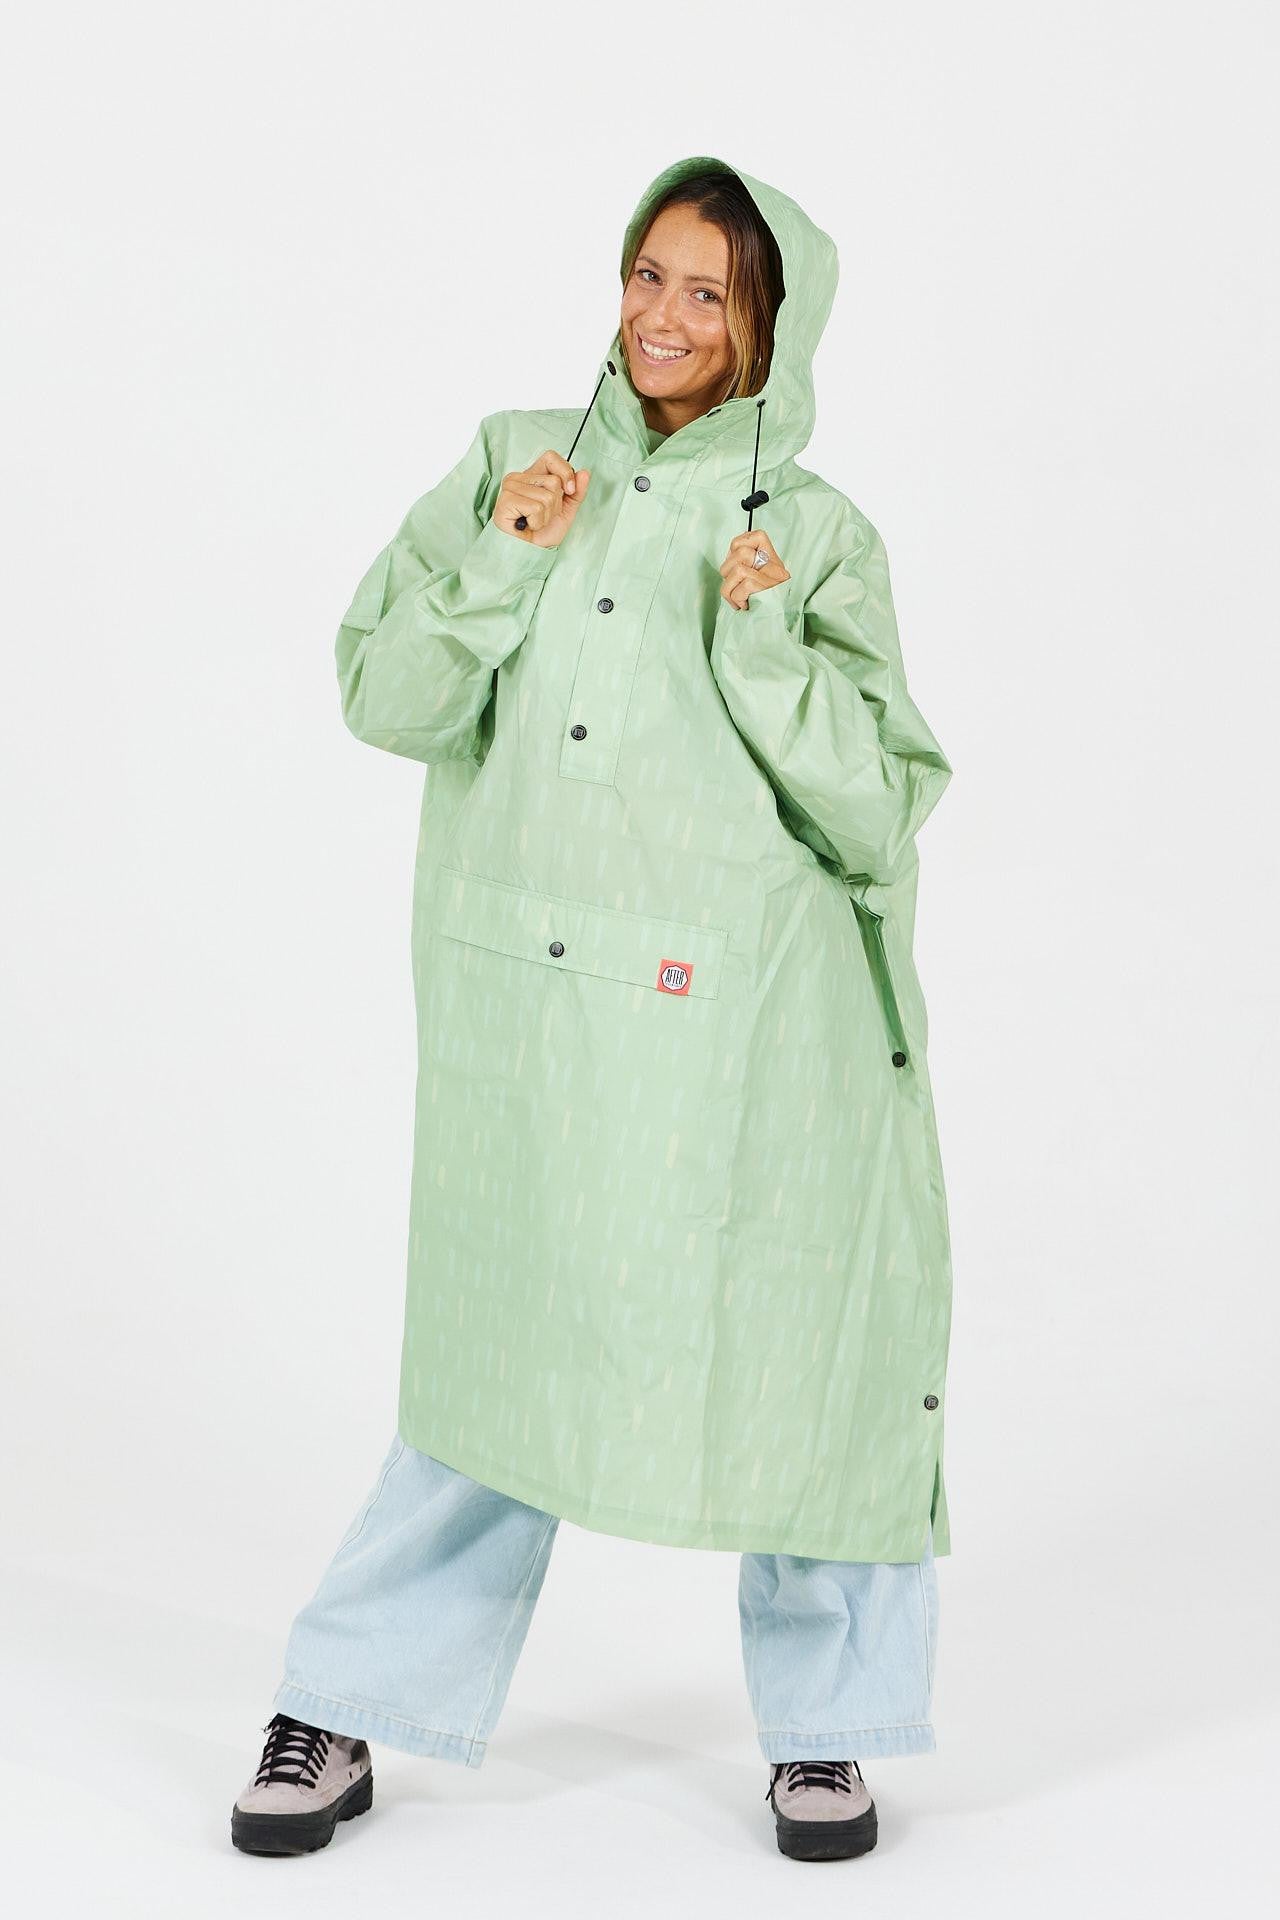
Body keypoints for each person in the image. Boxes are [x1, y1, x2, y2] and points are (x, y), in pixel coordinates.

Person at [232, 153, 954, 1864]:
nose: (664, 318)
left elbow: (877, 810)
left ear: (772, 325)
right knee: (498, 1356)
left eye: (710, 292)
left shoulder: (818, 533)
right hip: (535, 1011)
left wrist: (766, 647)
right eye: (648, 275)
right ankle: (342, 1702)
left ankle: (830, 1733)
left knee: (805, 1353)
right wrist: (504, 553)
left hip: (753, 1024)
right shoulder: (514, 460)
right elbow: (385, 697)